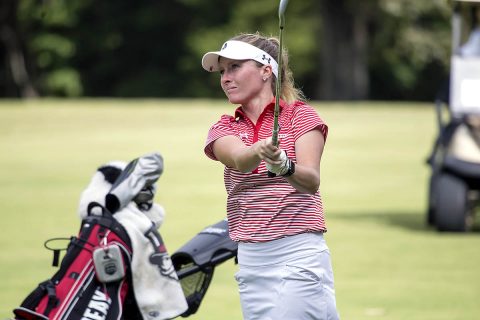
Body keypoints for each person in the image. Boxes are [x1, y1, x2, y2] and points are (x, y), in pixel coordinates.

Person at [201, 32, 340, 319]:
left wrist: (284, 165)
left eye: (235, 67)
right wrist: (262, 150)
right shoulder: (223, 127)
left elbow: (310, 180)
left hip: (298, 255)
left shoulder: (300, 116)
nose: (225, 78)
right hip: (252, 262)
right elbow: (239, 159)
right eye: (223, 71)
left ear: (266, 70)